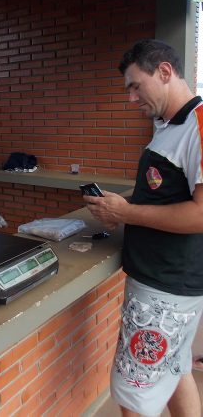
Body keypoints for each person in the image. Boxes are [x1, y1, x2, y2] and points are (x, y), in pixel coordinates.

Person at [83, 39, 203, 417]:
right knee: (175, 371)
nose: (131, 98)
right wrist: (121, 210)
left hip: (165, 291)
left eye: (136, 86)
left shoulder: (198, 125)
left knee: (133, 395)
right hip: (164, 284)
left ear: (165, 72)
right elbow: (164, 194)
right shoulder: (170, 125)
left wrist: (129, 213)